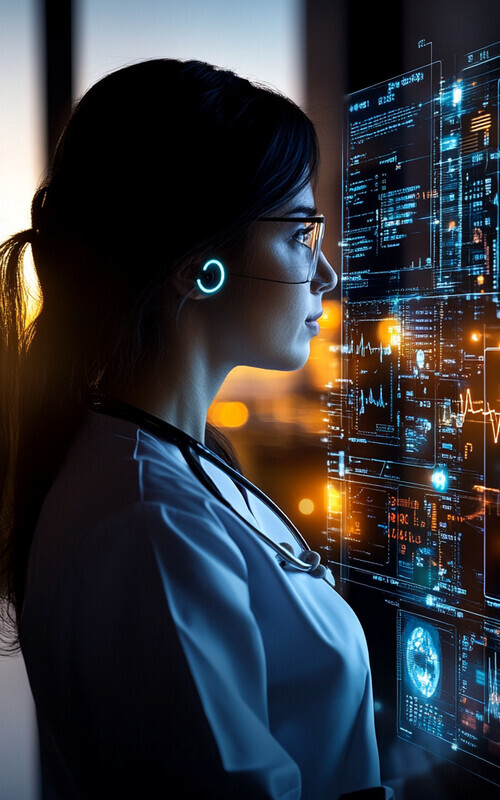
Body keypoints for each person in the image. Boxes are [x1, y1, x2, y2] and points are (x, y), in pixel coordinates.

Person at [0, 59, 389, 799]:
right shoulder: (150, 524)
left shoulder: (176, 462)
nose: (327, 274)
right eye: (301, 235)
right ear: (198, 267)